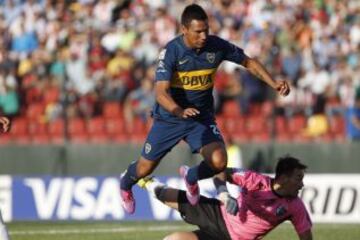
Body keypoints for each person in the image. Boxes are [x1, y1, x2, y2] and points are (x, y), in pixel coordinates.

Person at [120, 3, 290, 214]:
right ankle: (125, 183)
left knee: (219, 161)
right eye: (198, 31)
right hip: (169, 118)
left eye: (206, 30)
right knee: (145, 169)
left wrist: (273, 83)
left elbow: (248, 62)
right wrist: (179, 111)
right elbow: (161, 94)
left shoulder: (216, 46)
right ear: (184, 30)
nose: (203, 36)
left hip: (200, 118)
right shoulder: (171, 52)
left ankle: (191, 177)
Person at [138, 156, 313, 240]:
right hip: (218, 215)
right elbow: (220, 170)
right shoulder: (256, 181)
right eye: (298, 178)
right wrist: (224, 193)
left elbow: (306, 238)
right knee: (177, 198)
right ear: (282, 178)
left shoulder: (295, 207)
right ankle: (147, 182)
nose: (301, 184)